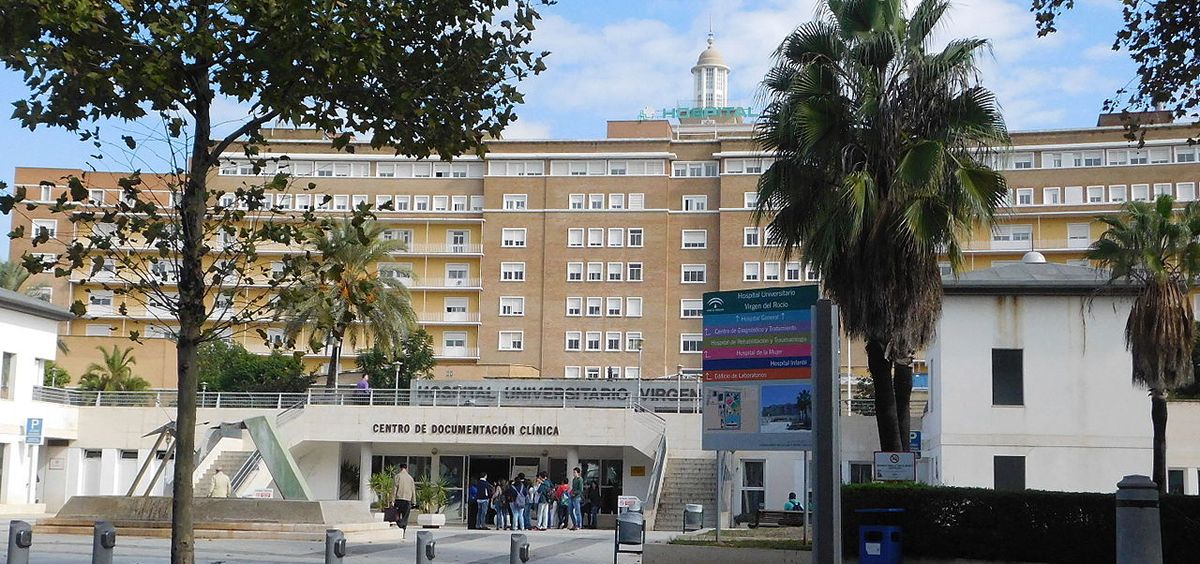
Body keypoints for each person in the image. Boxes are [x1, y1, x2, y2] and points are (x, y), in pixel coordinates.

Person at [393, 464, 416, 538]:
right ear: (406, 468)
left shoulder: (397, 476)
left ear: (400, 468)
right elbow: (413, 490)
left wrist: (392, 500)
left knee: (396, 514)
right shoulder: (410, 478)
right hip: (407, 500)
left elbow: (394, 489)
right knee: (405, 517)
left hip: (398, 499)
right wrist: (414, 501)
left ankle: (399, 523)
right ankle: (403, 532)